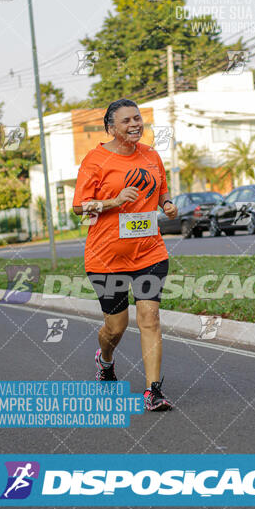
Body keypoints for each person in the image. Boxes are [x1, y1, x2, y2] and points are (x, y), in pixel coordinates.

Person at [73, 98, 178, 411]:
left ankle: (153, 391)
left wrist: (168, 205)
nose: (135, 125)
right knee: (116, 327)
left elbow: (161, 191)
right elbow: (79, 206)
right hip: (106, 257)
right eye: (126, 121)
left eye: (138, 119)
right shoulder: (95, 160)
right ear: (111, 128)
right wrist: (113, 201)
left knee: (150, 317)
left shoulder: (151, 156)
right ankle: (105, 359)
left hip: (149, 253)